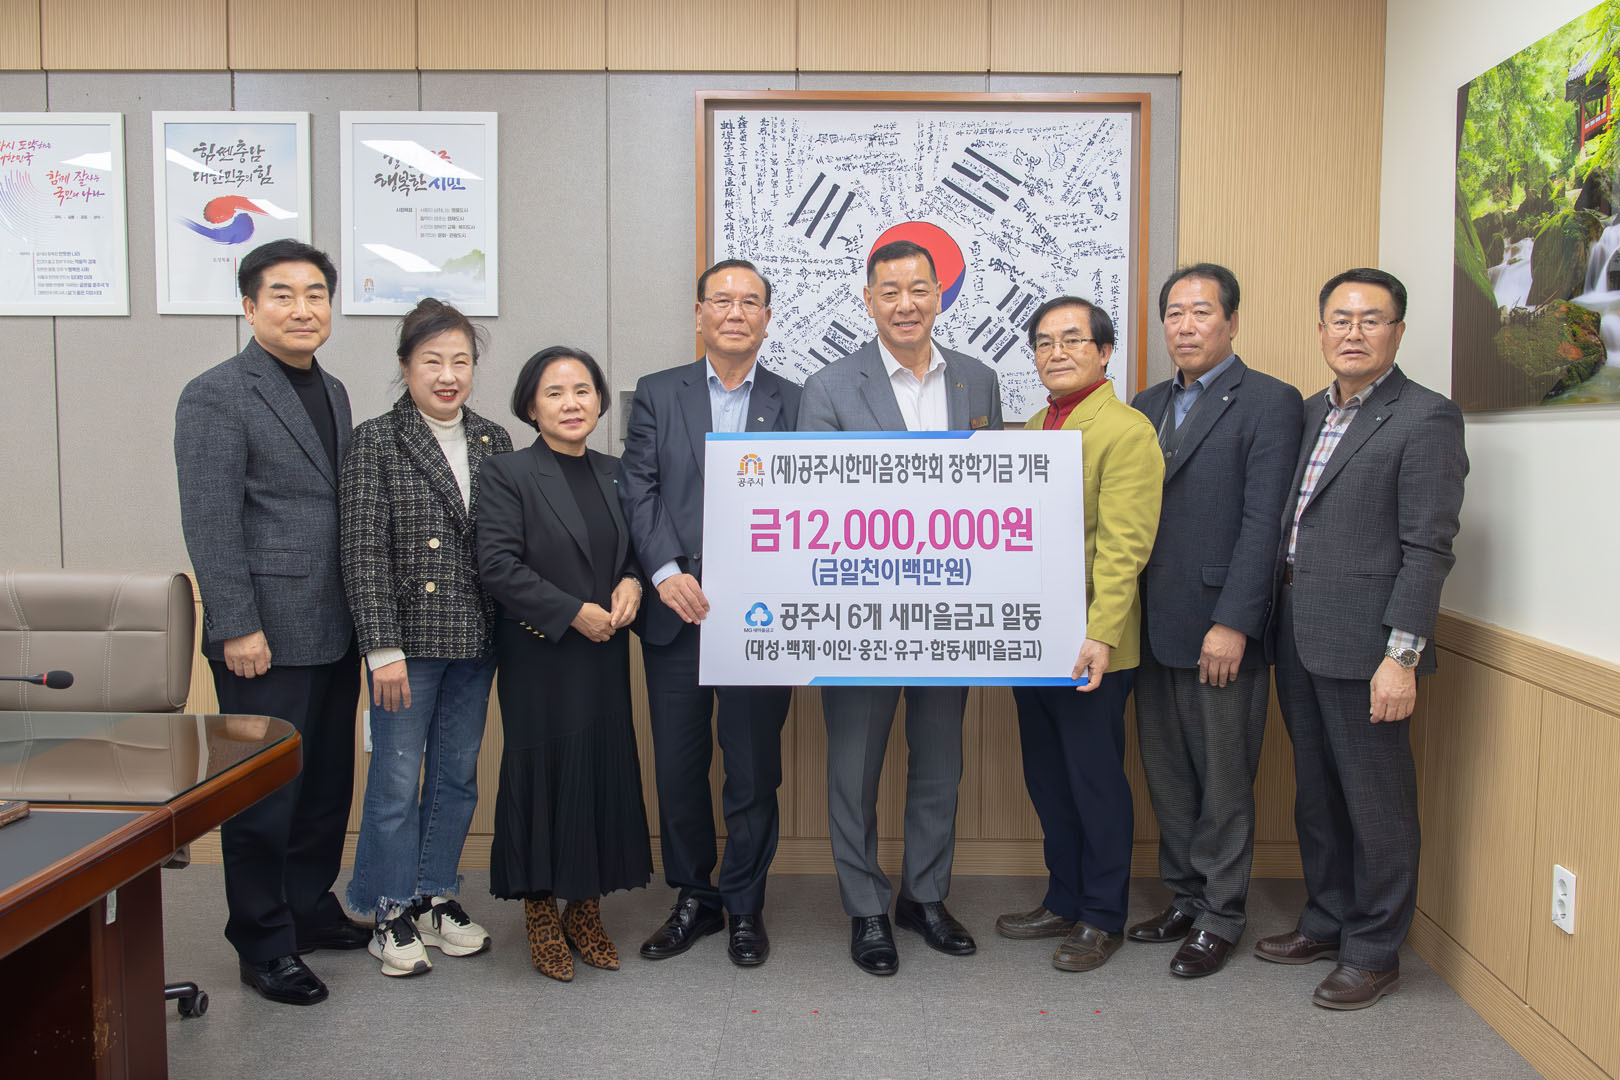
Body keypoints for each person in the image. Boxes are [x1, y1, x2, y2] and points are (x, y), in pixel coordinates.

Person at [1257, 268, 1467, 1010]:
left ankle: (1375, 950)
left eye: (1371, 320)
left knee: (1376, 802)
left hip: (1370, 646)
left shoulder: (1426, 417)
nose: (1353, 333)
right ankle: (1326, 920)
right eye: (1340, 320)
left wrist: (1401, 657)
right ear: (1321, 331)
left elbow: (1428, 548)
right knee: (1317, 793)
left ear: (1397, 332)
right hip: (1297, 631)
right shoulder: (1309, 412)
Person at [798, 239, 1002, 976]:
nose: (906, 304)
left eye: (919, 289)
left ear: (940, 295)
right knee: (853, 767)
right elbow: (812, 500)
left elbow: (994, 492)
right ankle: (864, 908)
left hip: (950, 606)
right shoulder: (828, 386)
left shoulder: (978, 380)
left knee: (940, 762)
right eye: (890, 291)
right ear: (868, 300)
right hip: (859, 609)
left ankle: (924, 897)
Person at [174, 239, 368, 1006]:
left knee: (324, 783)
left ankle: (308, 907)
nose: (302, 308)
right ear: (249, 307)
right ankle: (262, 942)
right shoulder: (216, 394)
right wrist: (235, 625)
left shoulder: (335, 390)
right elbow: (210, 519)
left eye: (315, 294)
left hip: (334, 624)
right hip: (262, 633)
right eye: (282, 295)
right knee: (262, 796)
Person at [619, 260, 799, 967]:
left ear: (767, 319)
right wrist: (665, 573)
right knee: (679, 767)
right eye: (721, 300)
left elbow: (812, 506)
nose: (735, 312)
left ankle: (746, 902)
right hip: (676, 613)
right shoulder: (658, 393)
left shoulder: (796, 400)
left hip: (760, 617)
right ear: (698, 314)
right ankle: (695, 897)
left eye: (750, 301)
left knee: (753, 769)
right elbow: (638, 487)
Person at [1125, 264, 1304, 977]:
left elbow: (1266, 524)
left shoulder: (1269, 401)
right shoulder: (1146, 404)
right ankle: (1184, 897)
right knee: (1168, 774)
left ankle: (1221, 915)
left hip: (1220, 626)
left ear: (1231, 321)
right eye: (1174, 313)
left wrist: (1235, 622)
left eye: (1201, 311)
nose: (1186, 325)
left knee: (1224, 780)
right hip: (1152, 620)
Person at [339, 297, 513, 977]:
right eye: (432, 360)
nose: (448, 375)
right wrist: (381, 649)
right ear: (405, 365)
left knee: (456, 778)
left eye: (460, 361)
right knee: (394, 779)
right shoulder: (376, 440)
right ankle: (386, 907)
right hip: (405, 646)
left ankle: (434, 894)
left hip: (476, 638)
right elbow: (363, 551)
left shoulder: (494, 440)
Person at [994, 296, 1163, 973]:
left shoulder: (1126, 430)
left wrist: (1101, 633)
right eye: (1044, 342)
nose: (1056, 352)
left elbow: (1125, 547)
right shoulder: (1038, 425)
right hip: (1034, 637)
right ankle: (1062, 896)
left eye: (1072, 339)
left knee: (1094, 781)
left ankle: (1101, 914)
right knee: (1047, 777)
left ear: (1104, 351)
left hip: (1093, 643)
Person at [476, 346, 652, 982]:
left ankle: (585, 908)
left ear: (600, 401)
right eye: (554, 392)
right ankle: (539, 911)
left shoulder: (616, 472)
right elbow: (497, 565)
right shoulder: (508, 473)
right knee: (544, 773)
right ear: (531, 406)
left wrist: (633, 582)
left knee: (600, 771)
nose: (571, 403)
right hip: (541, 651)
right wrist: (571, 611)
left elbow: (633, 550)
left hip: (605, 651)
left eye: (583, 390)